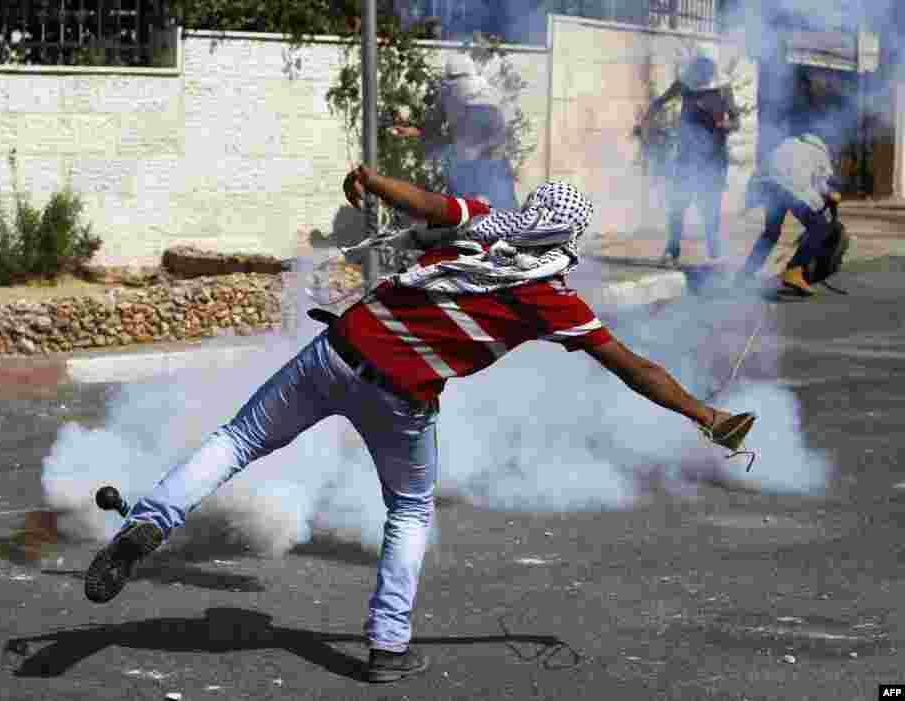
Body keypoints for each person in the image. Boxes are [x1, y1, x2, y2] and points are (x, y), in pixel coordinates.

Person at [84, 165, 758, 683]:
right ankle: (387, 646)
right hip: (402, 397)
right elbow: (632, 366)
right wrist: (707, 414)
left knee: (235, 441)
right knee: (408, 509)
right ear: (568, 238)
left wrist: (374, 179)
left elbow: (430, 206)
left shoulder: (489, 223)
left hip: (339, 347)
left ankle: (150, 521)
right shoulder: (551, 298)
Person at [637, 44, 740, 267]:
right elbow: (659, 102)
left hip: (714, 158)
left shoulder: (723, 88)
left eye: (707, 69)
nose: (703, 74)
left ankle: (714, 245)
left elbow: (736, 121)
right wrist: (646, 122)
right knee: (678, 205)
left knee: (710, 206)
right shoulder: (685, 84)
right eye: (700, 69)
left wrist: (726, 124)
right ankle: (671, 252)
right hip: (687, 156)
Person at [389, 53, 519, 209]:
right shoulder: (486, 90)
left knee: (463, 202)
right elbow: (500, 128)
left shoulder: (448, 90)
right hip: (492, 156)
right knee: (502, 203)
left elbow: (434, 126)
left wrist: (415, 131)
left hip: (474, 156)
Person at [737, 129, 841, 296]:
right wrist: (831, 196)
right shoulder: (821, 153)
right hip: (791, 188)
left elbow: (765, 170)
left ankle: (744, 276)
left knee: (771, 233)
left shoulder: (789, 144)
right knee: (820, 227)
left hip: (769, 185)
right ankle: (794, 271)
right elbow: (820, 184)